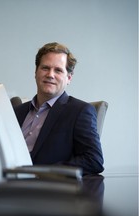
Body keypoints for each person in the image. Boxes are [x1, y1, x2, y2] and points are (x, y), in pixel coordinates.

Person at [14, 42, 104, 175]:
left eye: (58, 70)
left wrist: (45, 172)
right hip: (7, 183)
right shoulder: (16, 111)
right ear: (36, 72)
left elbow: (93, 160)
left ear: (68, 78)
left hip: (47, 189)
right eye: (45, 68)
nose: (50, 74)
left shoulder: (80, 111)